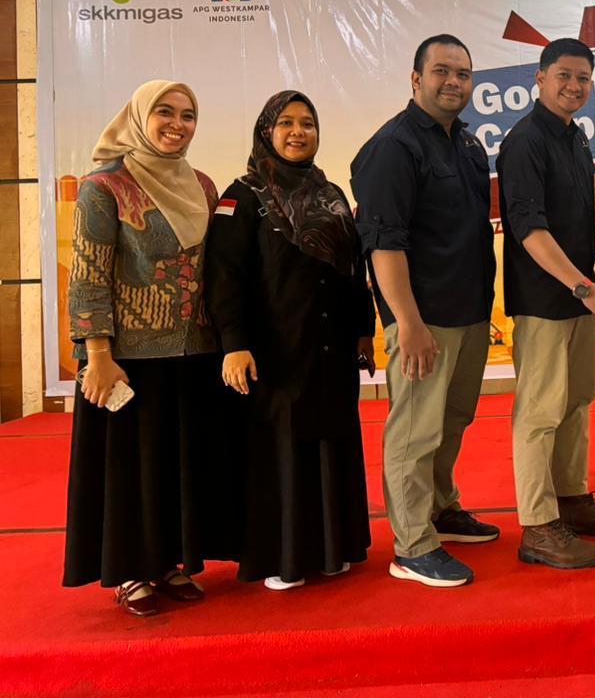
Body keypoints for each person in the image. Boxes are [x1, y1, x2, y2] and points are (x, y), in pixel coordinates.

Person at [63, 80, 225, 616]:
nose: (177, 124)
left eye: (187, 114)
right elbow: (89, 274)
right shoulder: (104, 187)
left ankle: (169, 561)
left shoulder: (202, 186)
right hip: (127, 359)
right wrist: (98, 355)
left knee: (178, 463)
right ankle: (130, 570)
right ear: (138, 116)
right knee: (130, 468)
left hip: (194, 350)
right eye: (164, 112)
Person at [204, 91, 374, 590]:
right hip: (274, 349)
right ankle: (283, 556)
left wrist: (363, 330)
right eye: (286, 123)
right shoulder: (244, 196)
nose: (298, 132)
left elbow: (353, 268)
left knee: (331, 436)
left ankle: (331, 548)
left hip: (331, 344)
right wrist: (233, 342)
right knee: (281, 447)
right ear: (266, 132)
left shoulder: (330, 193)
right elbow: (224, 275)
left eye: (307, 123)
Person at [350, 34, 499, 589]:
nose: (453, 82)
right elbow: (383, 244)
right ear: (416, 79)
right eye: (441, 71)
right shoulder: (393, 147)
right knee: (414, 430)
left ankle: (440, 506)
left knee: (451, 420)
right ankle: (412, 545)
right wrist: (407, 324)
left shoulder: (468, 144)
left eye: (463, 73)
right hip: (423, 318)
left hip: (469, 313)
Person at [497, 37, 595, 569]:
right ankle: (537, 524)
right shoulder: (525, 141)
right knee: (539, 412)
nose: (574, 86)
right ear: (540, 78)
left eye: (583, 78)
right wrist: (582, 287)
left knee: (577, 400)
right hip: (546, 301)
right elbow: (529, 229)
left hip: (580, 298)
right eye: (564, 76)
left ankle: (571, 498)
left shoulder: (576, 137)